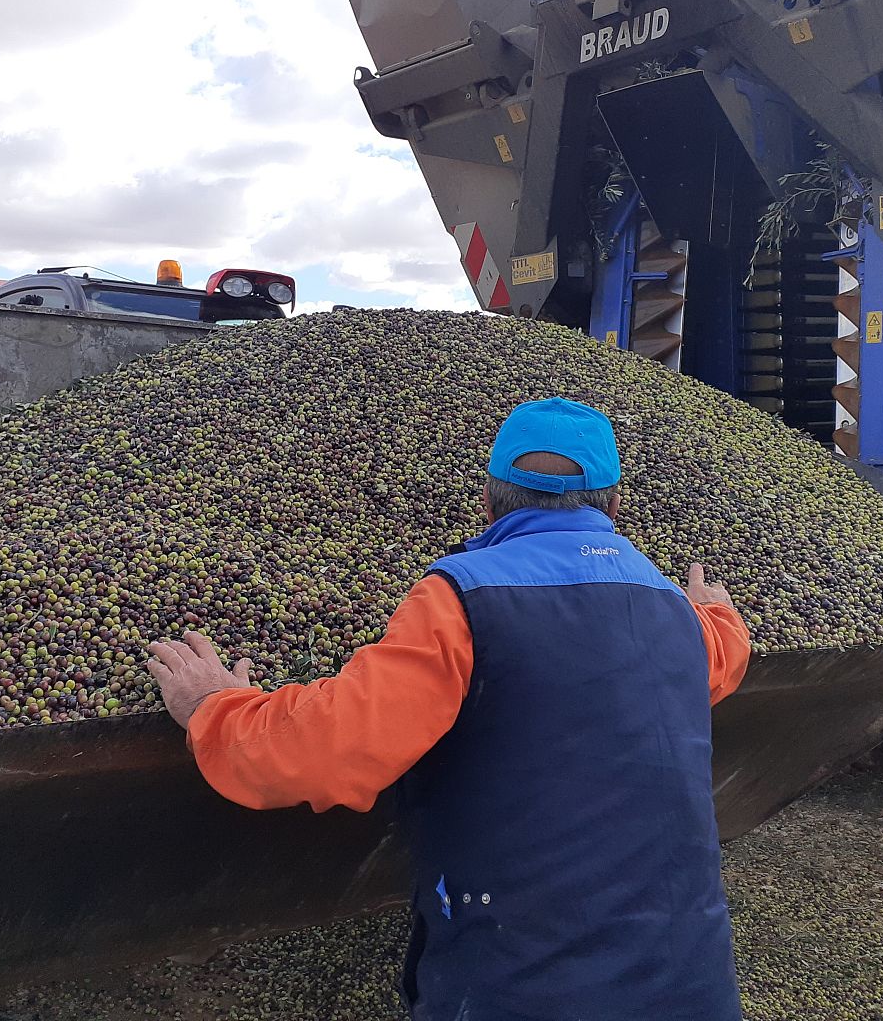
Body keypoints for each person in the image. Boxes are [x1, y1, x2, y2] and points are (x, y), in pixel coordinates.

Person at [147, 397, 751, 1020]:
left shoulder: (462, 601)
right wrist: (716, 609)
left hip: (528, 982)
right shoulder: (675, 612)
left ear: (489, 503)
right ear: (614, 508)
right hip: (691, 981)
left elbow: (326, 751)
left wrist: (212, 706)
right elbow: (721, 661)